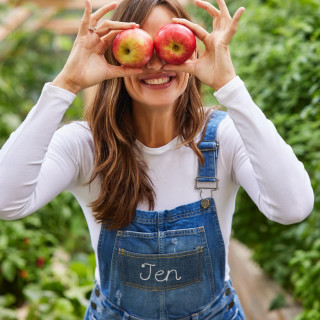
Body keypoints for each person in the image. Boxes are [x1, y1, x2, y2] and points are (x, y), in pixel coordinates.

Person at [0, 0, 314, 318]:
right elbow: (5, 201)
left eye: (166, 45)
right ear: (116, 56)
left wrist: (229, 87)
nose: (154, 63)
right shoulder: (86, 147)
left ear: (190, 50)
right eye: (141, 46)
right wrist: (64, 85)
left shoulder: (220, 139)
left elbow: (292, 207)